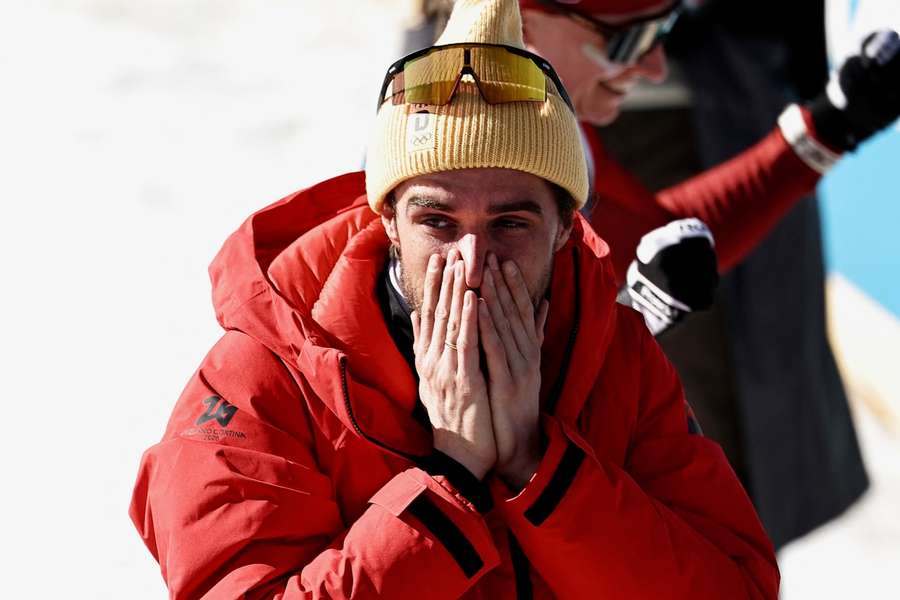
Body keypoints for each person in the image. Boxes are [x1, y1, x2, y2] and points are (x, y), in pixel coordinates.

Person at [130, 1, 780, 597]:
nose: (472, 263)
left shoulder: (618, 361)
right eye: (438, 222)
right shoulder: (261, 383)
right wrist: (453, 479)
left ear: (563, 232)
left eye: (511, 224)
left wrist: (539, 467)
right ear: (386, 219)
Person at [518, 0, 899, 549]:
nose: (653, 65)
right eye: (628, 40)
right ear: (526, 23)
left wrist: (832, 123)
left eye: (661, 31)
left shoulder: (532, 103)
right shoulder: (494, 160)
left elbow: (659, 234)